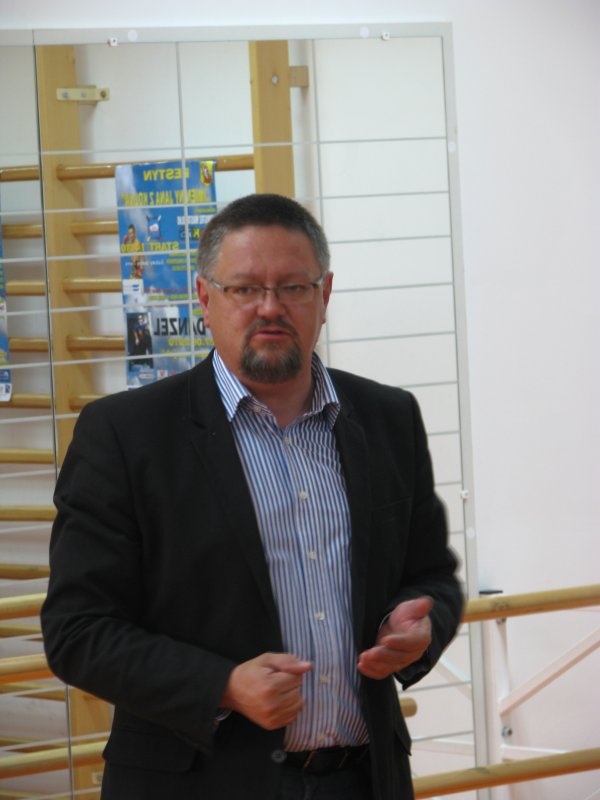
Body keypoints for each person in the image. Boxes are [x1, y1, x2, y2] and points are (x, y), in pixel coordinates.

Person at [42, 194, 463, 800]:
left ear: (325, 294)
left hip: (366, 779)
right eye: (245, 288)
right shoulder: (125, 434)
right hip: (200, 784)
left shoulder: (387, 417)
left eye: (293, 287)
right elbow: (77, 630)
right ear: (204, 297)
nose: (270, 307)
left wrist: (421, 627)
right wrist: (222, 685)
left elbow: (433, 577)